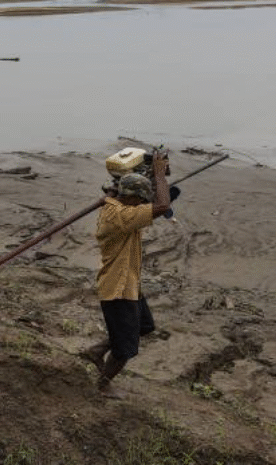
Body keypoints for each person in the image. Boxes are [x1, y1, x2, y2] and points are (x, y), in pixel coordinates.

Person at [81, 151, 171, 398]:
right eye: (140, 201)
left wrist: (153, 175)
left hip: (128, 285)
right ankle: (102, 385)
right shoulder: (122, 216)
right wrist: (161, 174)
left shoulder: (117, 205)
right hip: (118, 290)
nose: (143, 206)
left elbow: (151, 200)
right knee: (126, 349)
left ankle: (96, 351)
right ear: (130, 199)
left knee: (144, 326)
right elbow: (162, 205)